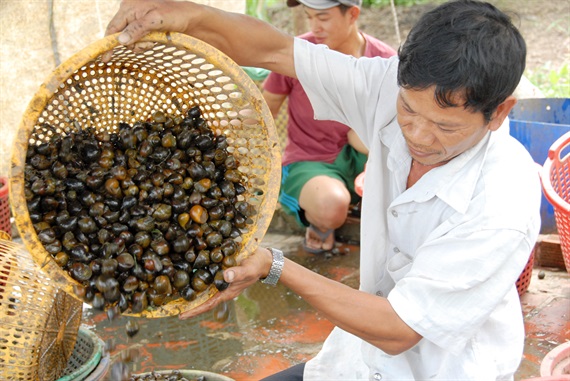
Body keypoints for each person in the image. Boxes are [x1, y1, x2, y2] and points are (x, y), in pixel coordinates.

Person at [105, 0, 541, 379]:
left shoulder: (503, 196)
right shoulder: (384, 85)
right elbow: (274, 49)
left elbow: (399, 331)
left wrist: (276, 266)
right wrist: (188, 14)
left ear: (499, 112)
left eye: (445, 126)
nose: (419, 136)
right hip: (354, 360)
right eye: (408, 110)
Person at [262, 0, 396, 254]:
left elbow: (388, 128)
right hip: (310, 159)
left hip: (364, 154)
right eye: (309, 17)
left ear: (352, 14)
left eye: (323, 18)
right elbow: (264, 108)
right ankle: (320, 219)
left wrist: (374, 158)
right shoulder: (296, 53)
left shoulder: (385, 61)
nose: (315, 27)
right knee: (331, 205)